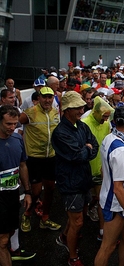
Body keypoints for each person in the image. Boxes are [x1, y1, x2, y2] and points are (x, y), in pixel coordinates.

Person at [52, 91, 99, 266]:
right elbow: (76, 155)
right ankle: (73, 257)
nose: (81, 110)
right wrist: (86, 150)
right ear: (66, 110)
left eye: (81, 107)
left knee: (80, 216)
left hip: (83, 179)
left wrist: (86, 150)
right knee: (77, 222)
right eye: (77, 107)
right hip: (70, 183)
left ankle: (65, 237)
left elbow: (94, 145)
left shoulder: (81, 126)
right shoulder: (60, 132)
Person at [94, 106, 124, 266]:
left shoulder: (110, 138)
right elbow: (118, 188)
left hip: (115, 200)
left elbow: (103, 169)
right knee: (107, 247)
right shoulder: (121, 149)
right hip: (116, 204)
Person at [20, 87, 61, 233]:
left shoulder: (56, 113)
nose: (48, 100)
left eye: (50, 97)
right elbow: (14, 124)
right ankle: (27, 214)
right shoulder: (30, 113)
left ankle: (45, 217)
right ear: (39, 98)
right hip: (34, 158)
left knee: (50, 188)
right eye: (45, 97)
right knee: (36, 191)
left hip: (51, 157)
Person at [0, 105, 35, 265]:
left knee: (11, 231)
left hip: (13, 194)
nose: (13, 127)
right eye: (8, 124)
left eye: (15, 124)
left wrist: (27, 192)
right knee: (3, 240)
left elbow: (22, 165)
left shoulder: (17, 139)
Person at [82, 97, 114, 241]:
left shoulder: (106, 124)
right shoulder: (84, 124)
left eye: (108, 117)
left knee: (102, 199)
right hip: (85, 169)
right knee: (83, 201)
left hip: (100, 169)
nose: (106, 119)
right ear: (96, 112)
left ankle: (102, 230)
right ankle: (77, 229)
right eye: (104, 116)